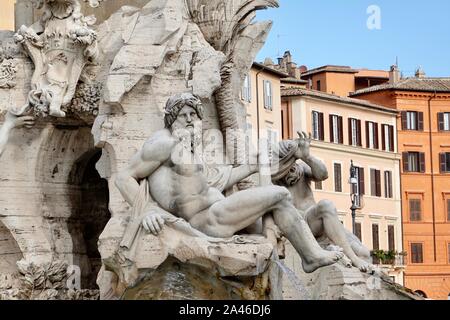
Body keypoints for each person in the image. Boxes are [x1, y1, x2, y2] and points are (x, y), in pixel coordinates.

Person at [115, 93, 344, 273]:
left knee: (274, 204)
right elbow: (124, 177)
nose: (188, 119)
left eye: (193, 115)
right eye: (182, 114)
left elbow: (215, 181)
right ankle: (311, 256)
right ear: (171, 117)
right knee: (279, 195)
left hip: (217, 211)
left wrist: (252, 167)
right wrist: (146, 211)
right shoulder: (162, 143)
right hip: (207, 220)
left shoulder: (187, 149)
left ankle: (309, 251)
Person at [271, 133, 373, 272]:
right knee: (326, 205)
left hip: (322, 220)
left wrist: (307, 157)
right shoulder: (272, 179)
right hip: (302, 223)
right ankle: (353, 259)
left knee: (364, 253)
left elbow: (322, 174)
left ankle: (356, 264)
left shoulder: (300, 168)